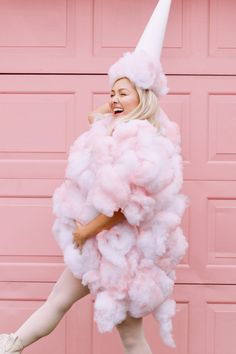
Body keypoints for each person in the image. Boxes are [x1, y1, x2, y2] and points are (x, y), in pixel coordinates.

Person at [0, 1, 189, 353]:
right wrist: (123, 91)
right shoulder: (116, 129)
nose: (113, 100)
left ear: (144, 97)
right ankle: (10, 344)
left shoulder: (145, 143)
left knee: (131, 337)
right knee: (56, 301)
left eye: (123, 94)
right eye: (111, 93)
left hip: (123, 257)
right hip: (99, 251)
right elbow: (94, 115)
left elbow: (131, 206)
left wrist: (86, 230)